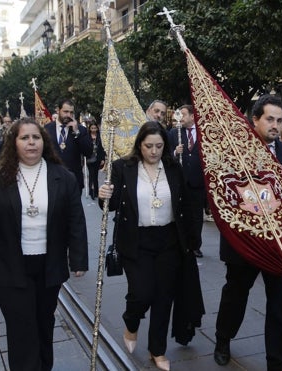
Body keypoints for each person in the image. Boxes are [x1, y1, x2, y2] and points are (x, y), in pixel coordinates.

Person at [0, 118, 88, 370]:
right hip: (9, 265)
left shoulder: (63, 177)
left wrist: (78, 259)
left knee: (43, 325)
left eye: (35, 137)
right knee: (21, 327)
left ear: (43, 142)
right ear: (14, 143)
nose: (31, 142)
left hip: (48, 264)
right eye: (24, 138)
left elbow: (75, 220)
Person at [98, 122, 203, 371]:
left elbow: (185, 205)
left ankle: (158, 350)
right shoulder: (124, 167)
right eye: (148, 146)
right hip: (136, 241)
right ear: (139, 145)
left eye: (159, 146)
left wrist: (191, 240)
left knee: (163, 298)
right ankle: (131, 322)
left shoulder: (173, 168)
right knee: (142, 293)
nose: (154, 151)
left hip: (169, 241)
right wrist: (105, 194)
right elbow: (111, 206)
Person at [214, 95, 282, 370]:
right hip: (244, 242)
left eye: (280, 120)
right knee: (236, 294)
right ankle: (223, 338)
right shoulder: (234, 153)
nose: (275, 125)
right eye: (270, 119)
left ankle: (276, 360)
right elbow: (224, 196)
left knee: (279, 300)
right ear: (254, 119)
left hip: (278, 244)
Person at [169, 104, 205, 258]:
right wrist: (175, 152)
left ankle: (196, 244)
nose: (180, 117)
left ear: (192, 116)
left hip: (198, 182)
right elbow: (167, 156)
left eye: (183, 114)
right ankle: (181, 242)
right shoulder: (174, 133)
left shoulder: (204, 133)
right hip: (181, 181)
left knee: (197, 215)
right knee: (180, 213)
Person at [44, 99, 93, 193]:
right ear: (58, 110)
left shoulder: (81, 130)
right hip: (52, 180)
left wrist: (76, 132)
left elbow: (88, 152)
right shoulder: (47, 129)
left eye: (71, 112)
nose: (69, 115)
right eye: (65, 112)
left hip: (74, 180)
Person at [85, 120, 106, 200]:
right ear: (90, 129)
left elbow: (102, 148)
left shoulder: (100, 137)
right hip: (89, 159)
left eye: (95, 128)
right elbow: (84, 147)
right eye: (92, 128)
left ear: (97, 129)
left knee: (95, 175)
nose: (93, 130)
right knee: (91, 175)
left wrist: (103, 159)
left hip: (97, 159)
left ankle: (96, 191)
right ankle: (91, 191)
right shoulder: (87, 137)